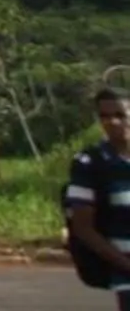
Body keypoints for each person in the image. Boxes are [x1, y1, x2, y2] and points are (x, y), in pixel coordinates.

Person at [68, 88, 130, 301]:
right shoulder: (91, 163)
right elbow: (83, 227)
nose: (112, 122)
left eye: (120, 115)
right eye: (104, 116)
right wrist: (125, 265)